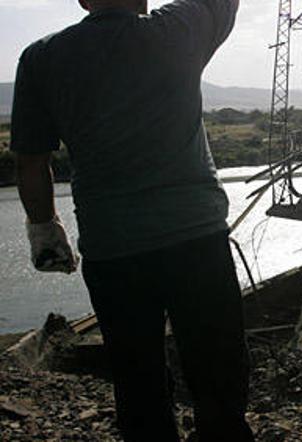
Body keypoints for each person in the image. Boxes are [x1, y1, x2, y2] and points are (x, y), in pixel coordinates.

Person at [11, 0, 253, 440]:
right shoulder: (177, 31)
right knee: (218, 376)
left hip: (113, 249)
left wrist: (44, 230)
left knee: (137, 382)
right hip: (196, 240)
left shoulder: (41, 58)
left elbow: (30, 162)